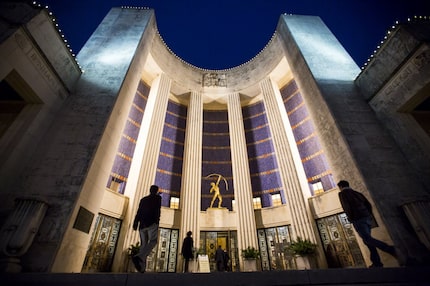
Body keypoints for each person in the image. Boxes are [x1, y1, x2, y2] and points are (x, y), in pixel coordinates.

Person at [337, 180, 397, 268]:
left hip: (357, 219)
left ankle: (390, 249)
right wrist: (369, 216)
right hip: (367, 218)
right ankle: (376, 262)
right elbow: (368, 205)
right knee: (367, 240)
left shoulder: (342, 194)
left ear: (341, 187)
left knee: (367, 239)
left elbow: (346, 207)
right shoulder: (357, 193)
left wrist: (351, 218)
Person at [132, 185, 162, 273]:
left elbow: (139, 211)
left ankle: (141, 268)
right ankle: (140, 257)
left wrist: (135, 223)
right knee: (153, 241)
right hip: (151, 223)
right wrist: (157, 221)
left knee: (143, 245)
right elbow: (157, 210)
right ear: (156, 191)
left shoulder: (143, 200)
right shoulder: (158, 198)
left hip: (142, 225)